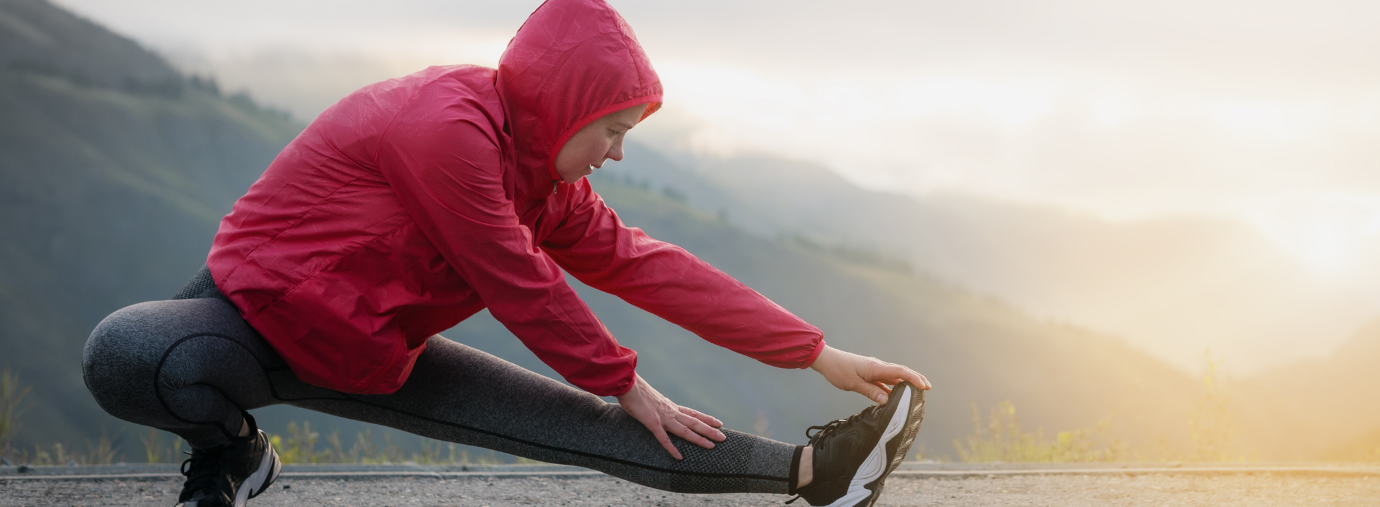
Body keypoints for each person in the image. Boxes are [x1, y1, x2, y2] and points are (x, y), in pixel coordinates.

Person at [80, 1, 930, 506]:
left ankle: (817, 472)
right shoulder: (444, 129)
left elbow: (652, 266)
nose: (617, 153)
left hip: (372, 354)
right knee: (128, 353)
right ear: (565, 108)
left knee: (615, 423)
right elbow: (519, 283)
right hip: (250, 316)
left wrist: (818, 353)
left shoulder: (546, 181)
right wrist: (626, 375)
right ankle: (230, 450)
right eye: (613, 130)